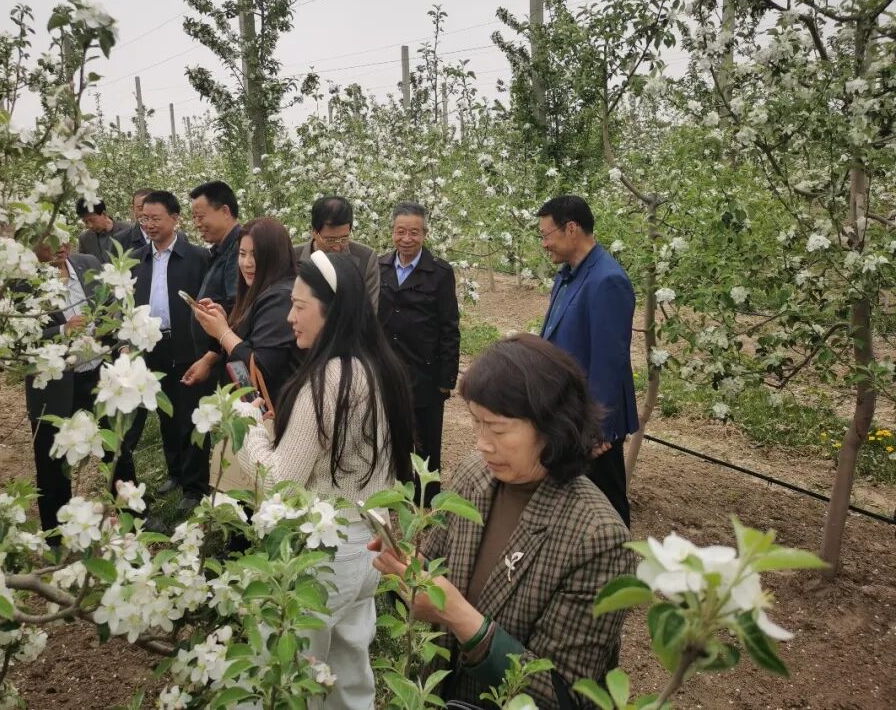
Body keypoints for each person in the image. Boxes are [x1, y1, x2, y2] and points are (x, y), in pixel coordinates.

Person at [370, 335, 632, 709]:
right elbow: (438, 566)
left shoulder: (598, 539)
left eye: (498, 429)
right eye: (476, 423)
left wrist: (457, 615)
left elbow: (564, 696)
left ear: (551, 426)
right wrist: (410, 573)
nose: (482, 443)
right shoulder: (475, 477)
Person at [237, 250, 414, 710]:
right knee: (347, 681)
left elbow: (278, 483)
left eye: (299, 305)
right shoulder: (378, 366)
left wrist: (245, 428)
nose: (289, 316)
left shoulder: (330, 378)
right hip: (365, 552)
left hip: (324, 557)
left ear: (331, 309)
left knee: (287, 680)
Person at [23, 239, 136, 539]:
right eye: (50, 240)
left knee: (117, 448)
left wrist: (122, 346)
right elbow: (17, 341)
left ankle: (132, 516)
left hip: (97, 376)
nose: (60, 246)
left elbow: (114, 311)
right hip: (55, 384)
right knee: (52, 459)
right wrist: (61, 330)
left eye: (64, 238)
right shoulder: (24, 283)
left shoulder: (89, 265)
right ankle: (56, 536)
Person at [536, 194, 637, 526]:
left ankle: (623, 568)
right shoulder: (568, 274)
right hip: (567, 413)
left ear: (572, 229)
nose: (544, 243)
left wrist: (599, 431)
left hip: (592, 424)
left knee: (606, 505)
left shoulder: (607, 280)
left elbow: (610, 362)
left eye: (547, 235)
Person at [123, 190, 210, 510]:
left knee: (190, 414)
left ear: (175, 219)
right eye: (144, 218)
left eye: (156, 218)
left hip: (187, 346)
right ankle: (175, 472)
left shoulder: (198, 257)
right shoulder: (138, 261)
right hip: (152, 347)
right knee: (166, 415)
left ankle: (196, 485)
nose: (149, 225)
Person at [377, 202, 460, 502]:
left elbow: (450, 326)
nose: (407, 239)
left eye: (414, 232)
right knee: (391, 438)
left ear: (425, 234)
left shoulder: (439, 273)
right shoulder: (380, 266)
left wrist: (446, 379)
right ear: (393, 233)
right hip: (388, 371)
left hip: (425, 372)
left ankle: (428, 503)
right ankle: (396, 497)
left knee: (426, 447)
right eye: (401, 232)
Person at [189, 217, 300, 403]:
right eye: (242, 254)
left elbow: (261, 367)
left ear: (274, 256)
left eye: (255, 255)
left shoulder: (281, 297)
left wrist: (223, 332)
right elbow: (248, 341)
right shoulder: (258, 289)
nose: (247, 263)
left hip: (272, 413)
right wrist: (227, 322)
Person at [183, 181, 242, 385]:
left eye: (200, 217)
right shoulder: (220, 250)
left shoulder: (239, 250)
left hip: (233, 363)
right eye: (194, 218)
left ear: (225, 211)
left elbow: (237, 312)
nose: (197, 224)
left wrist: (209, 359)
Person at [294, 195, 381, 306]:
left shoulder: (366, 259)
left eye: (344, 239)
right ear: (314, 232)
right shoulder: (292, 257)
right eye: (330, 240)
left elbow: (368, 313)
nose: (337, 247)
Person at [75, 198, 129, 263]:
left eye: (92, 220)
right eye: (85, 222)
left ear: (104, 214)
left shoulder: (128, 230)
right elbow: (83, 265)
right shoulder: (84, 239)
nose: (90, 225)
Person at [115, 187, 154, 254]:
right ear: (133, 209)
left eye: (150, 208)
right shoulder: (120, 240)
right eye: (140, 208)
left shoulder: (170, 237)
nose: (145, 213)